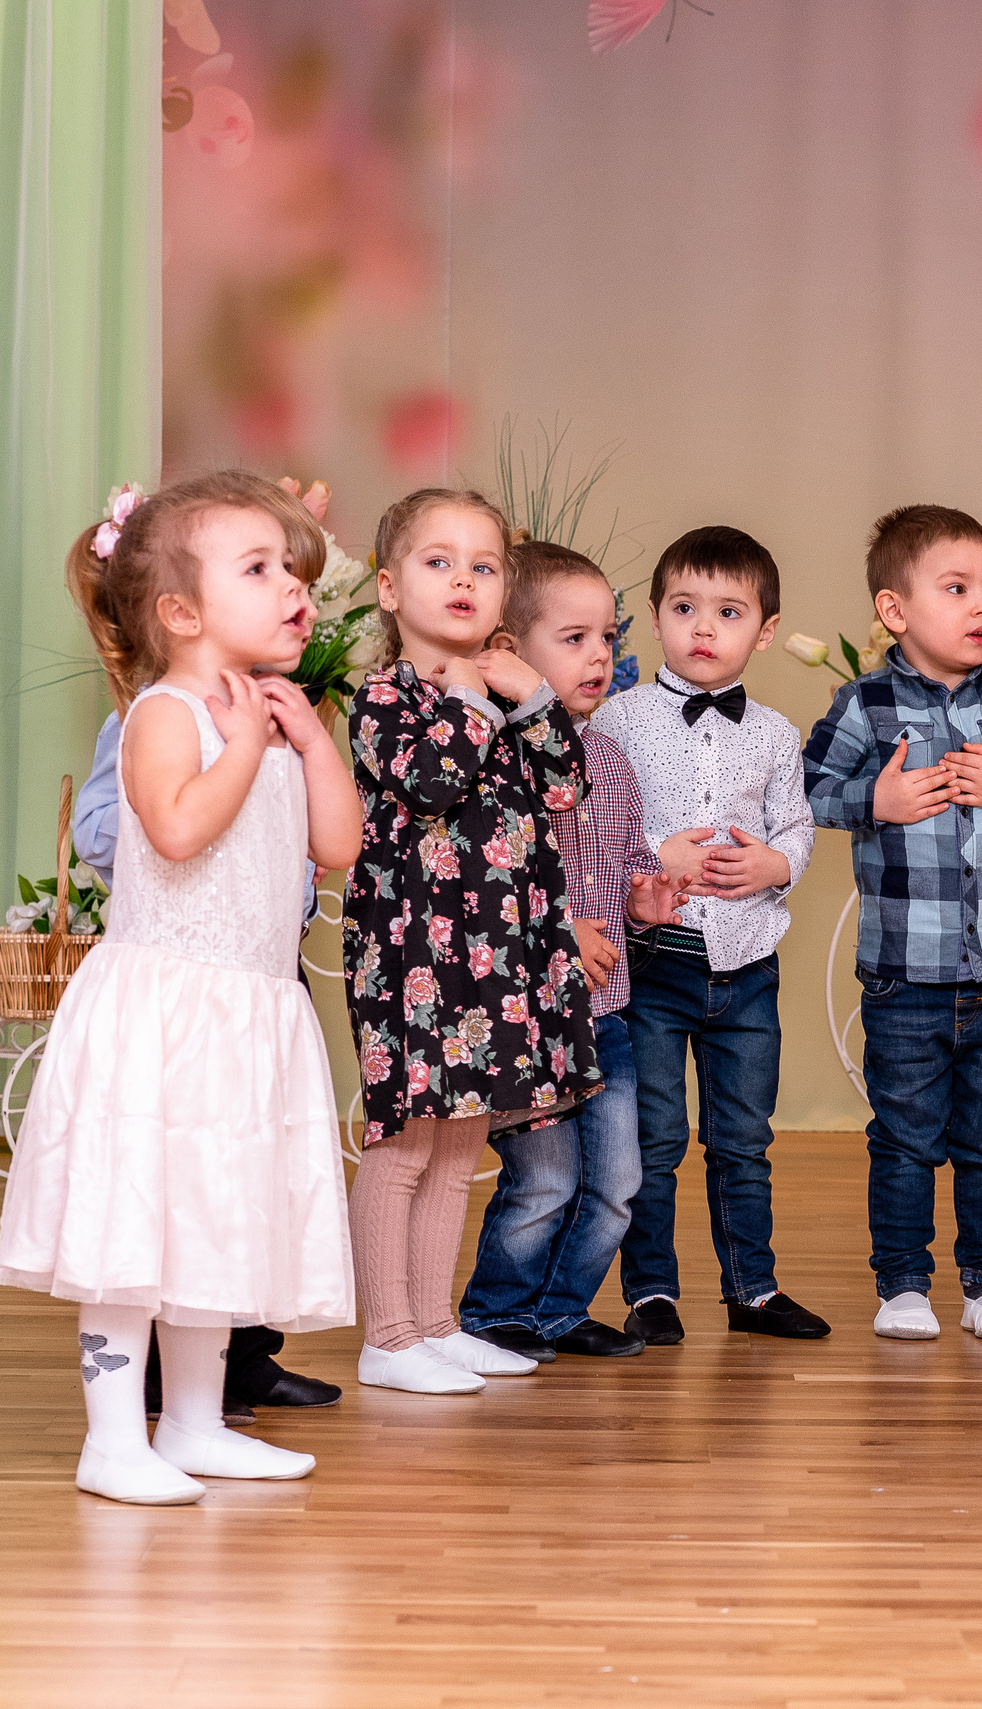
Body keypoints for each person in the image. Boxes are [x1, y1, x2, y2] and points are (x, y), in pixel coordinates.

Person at [0, 471, 360, 1503]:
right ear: (182, 611)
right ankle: (114, 1437)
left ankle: (196, 1423)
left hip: (249, 1016)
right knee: (138, 1224)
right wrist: (247, 741)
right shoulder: (165, 711)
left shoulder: (279, 718)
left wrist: (312, 745)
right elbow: (177, 826)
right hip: (167, 1013)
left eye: (295, 569)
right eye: (260, 568)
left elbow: (335, 847)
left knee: (218, 1216)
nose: (293, 586)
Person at [804, 505, 982, 1343]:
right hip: (905, 973)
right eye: (959, 588)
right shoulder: (863, 703)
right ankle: (902, 1284)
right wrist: (876, 800)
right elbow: (806, 790)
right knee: (903, 1136)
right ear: (895, 611)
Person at [343, 488, 604, 1395]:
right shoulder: (385, 698)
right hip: (415, 956)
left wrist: (530, 696)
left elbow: (567, 788)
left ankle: (433, 1322)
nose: (463, 579)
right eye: (438, 561)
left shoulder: (502, 693)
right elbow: (429, 784)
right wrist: (467, 697)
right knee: (406, 1141)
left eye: (483, 566)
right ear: (387, 586)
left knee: (460, 1147)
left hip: (497, 954)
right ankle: (387, 1334)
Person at [74, 711, 341, 1420]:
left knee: (247, 1176)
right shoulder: (151, 714)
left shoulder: (289, 721)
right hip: (187, 973)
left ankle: (240, 1361)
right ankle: (154, 1389)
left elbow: (333, 838)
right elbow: (100, 827)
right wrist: (214, 807)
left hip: (263, 973)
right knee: (174, 1181)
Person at [458, 541, 687, 1361]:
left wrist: (643, 896)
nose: (600, 657)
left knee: (618, 1184)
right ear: (512, 656)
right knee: (545, 1178)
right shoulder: (493, 758)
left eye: (610, 639)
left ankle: (558, 1309)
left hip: (609, 1012)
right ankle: (495, 1313)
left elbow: (625, 860)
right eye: (576, 638)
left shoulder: (612, 758)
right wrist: (562, 927)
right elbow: (488, 883)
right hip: (530, 1016)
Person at [592, 526, 820, 1344]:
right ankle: (651, 1291)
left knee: (742, 1140)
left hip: (748, 965)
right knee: (653, 1140)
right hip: (655, 964)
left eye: (728, 612)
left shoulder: (777, 733)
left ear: (763, 630)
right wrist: (655, 860)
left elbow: (797, 825)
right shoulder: (614, 722)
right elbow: (595, 833)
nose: (703, 628)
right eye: (685, 607)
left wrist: (776, 865)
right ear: (654, 617)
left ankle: (752, 1289)